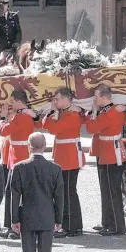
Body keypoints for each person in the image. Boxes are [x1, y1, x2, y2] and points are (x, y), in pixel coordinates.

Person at [10, 132, 64, 252]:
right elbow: (60, 197)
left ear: (29, 146)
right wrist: (59, 218)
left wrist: (14, 219)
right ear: (45, 146)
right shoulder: (55, 169)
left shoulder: (19, 167)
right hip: (47, 217)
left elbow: (14, 196)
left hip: (27, 217)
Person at [42, 88, 85, 238]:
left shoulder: (72, 114)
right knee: (67, 193)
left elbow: (53, 129)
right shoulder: (65, 112)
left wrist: (54, 113)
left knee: (68, 193)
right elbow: (44, 124)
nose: (55, 102)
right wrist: (53, 112)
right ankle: (73, 226)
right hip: (64, 156)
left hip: (70, 157)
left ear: (67, 99)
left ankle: (71, 227)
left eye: (57, 99)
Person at [85, 84, 126, 236]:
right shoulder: (110, 110)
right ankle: (108, 222)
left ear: (104, 97)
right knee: (107, 191)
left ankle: (116, 226)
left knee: (112, 192)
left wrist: (94, 112)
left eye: (96, 96)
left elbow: (90, 129)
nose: (94, 99)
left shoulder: (108, 113)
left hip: (111, 154)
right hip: (107, 151)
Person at [0, 90, 36, 240]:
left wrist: (2, 117)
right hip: (16, 157)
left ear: (18, 101)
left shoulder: (21, 117)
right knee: (13, 194)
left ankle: (15, 227)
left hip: (19, 158)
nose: (10, 105)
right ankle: (11, 225)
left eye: (12, 101)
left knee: (15, 195)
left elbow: (3, 130)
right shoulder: (22, 116)